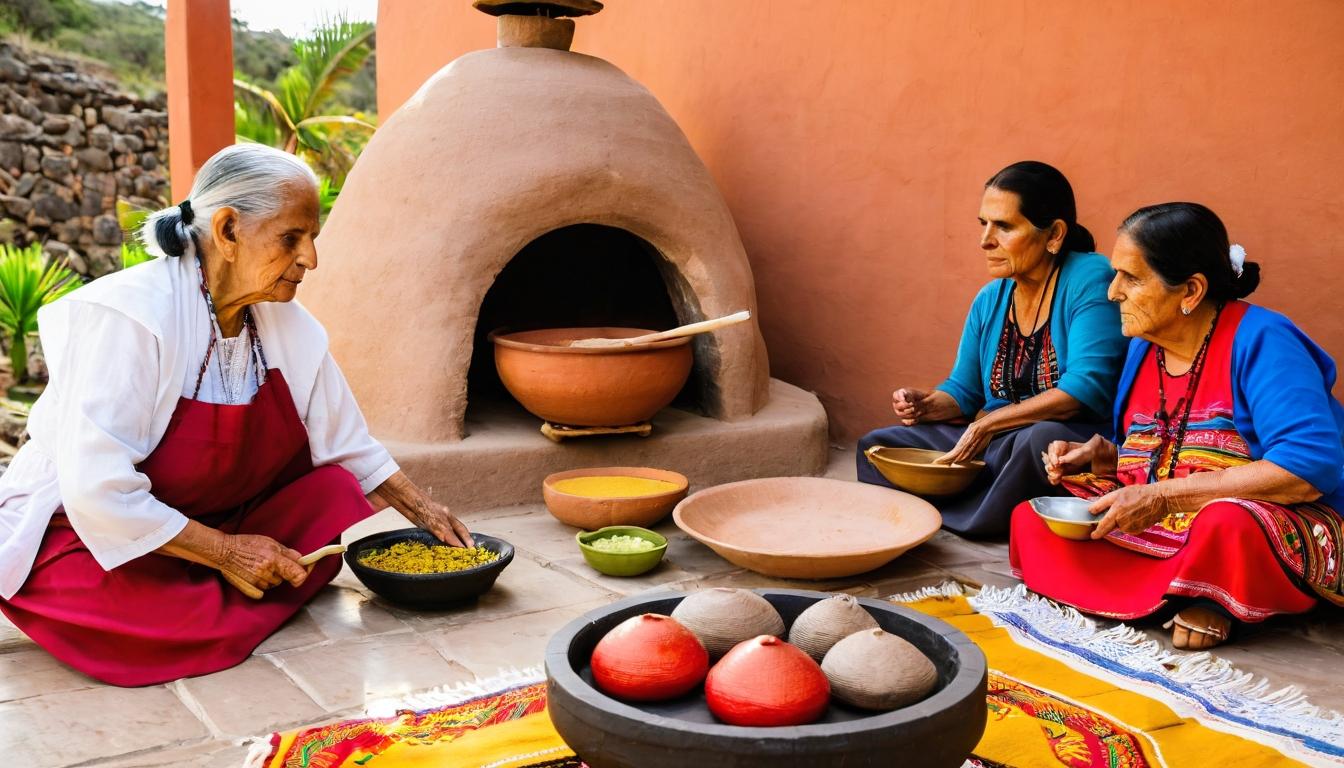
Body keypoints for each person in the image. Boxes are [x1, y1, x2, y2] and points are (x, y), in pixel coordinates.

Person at [0, 144, 473, 686]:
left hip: (211, 514)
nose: (310, 259)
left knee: (332, 495)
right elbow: (96, 492)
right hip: (93, 533)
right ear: (227, 231)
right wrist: (225, 552)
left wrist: (426, 511)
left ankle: (215, 586)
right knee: (133, 614)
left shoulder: (286, 326)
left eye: (312, 238)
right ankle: (208, 592)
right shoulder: (131, 318)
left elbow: (348, 443)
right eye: (292, 238)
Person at [1011, 202, 1344, 649]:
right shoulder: (1144, 348)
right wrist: (1109, 459)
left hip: (1268, 521)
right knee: (1032, 518)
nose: (1113, 293)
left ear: (1190, 290)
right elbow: (1160, 454)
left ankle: (1207, 592)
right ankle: (1181, 590)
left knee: (1228, 524)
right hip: (1172, 524)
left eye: (1131, 278)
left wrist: (1162, 496)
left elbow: (1309, 469)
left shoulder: (1262, 338)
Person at [857, 161, 1127, 535]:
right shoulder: (991, 298)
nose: (985, 240)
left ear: (1054, 234)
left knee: (1039, 440)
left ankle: (956, 517)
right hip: (996, 443)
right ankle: (957, 509)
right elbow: (964, 391)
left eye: (1003, 226)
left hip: (1058, 442)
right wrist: (926, 404)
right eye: (983, 224)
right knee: (878, 445)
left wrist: (987, 425)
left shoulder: (1089, 278)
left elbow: (1084, 388)